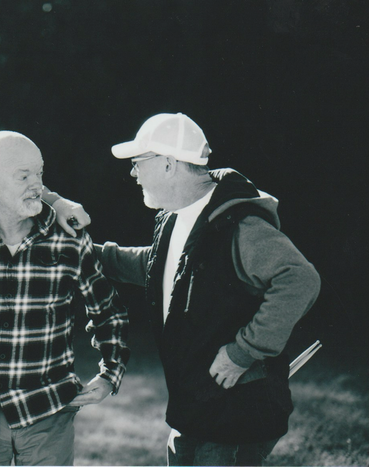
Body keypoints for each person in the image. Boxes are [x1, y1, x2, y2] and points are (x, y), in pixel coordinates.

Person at [95, 113, 321, 466]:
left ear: (169, 165)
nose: (133, 173)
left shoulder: (240, 225)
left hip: (237, 412)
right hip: (197, 405)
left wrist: (243, 351)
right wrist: (90, 255)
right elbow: (160, 268)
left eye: (139, 163)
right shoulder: (177, 216)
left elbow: (300, 279)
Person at [0, 131, 130, 466]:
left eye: (40, 173)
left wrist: (110, 374)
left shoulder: (68, 239)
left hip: (48, 411)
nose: (37, 185)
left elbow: (109, 311)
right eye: (24, 176)